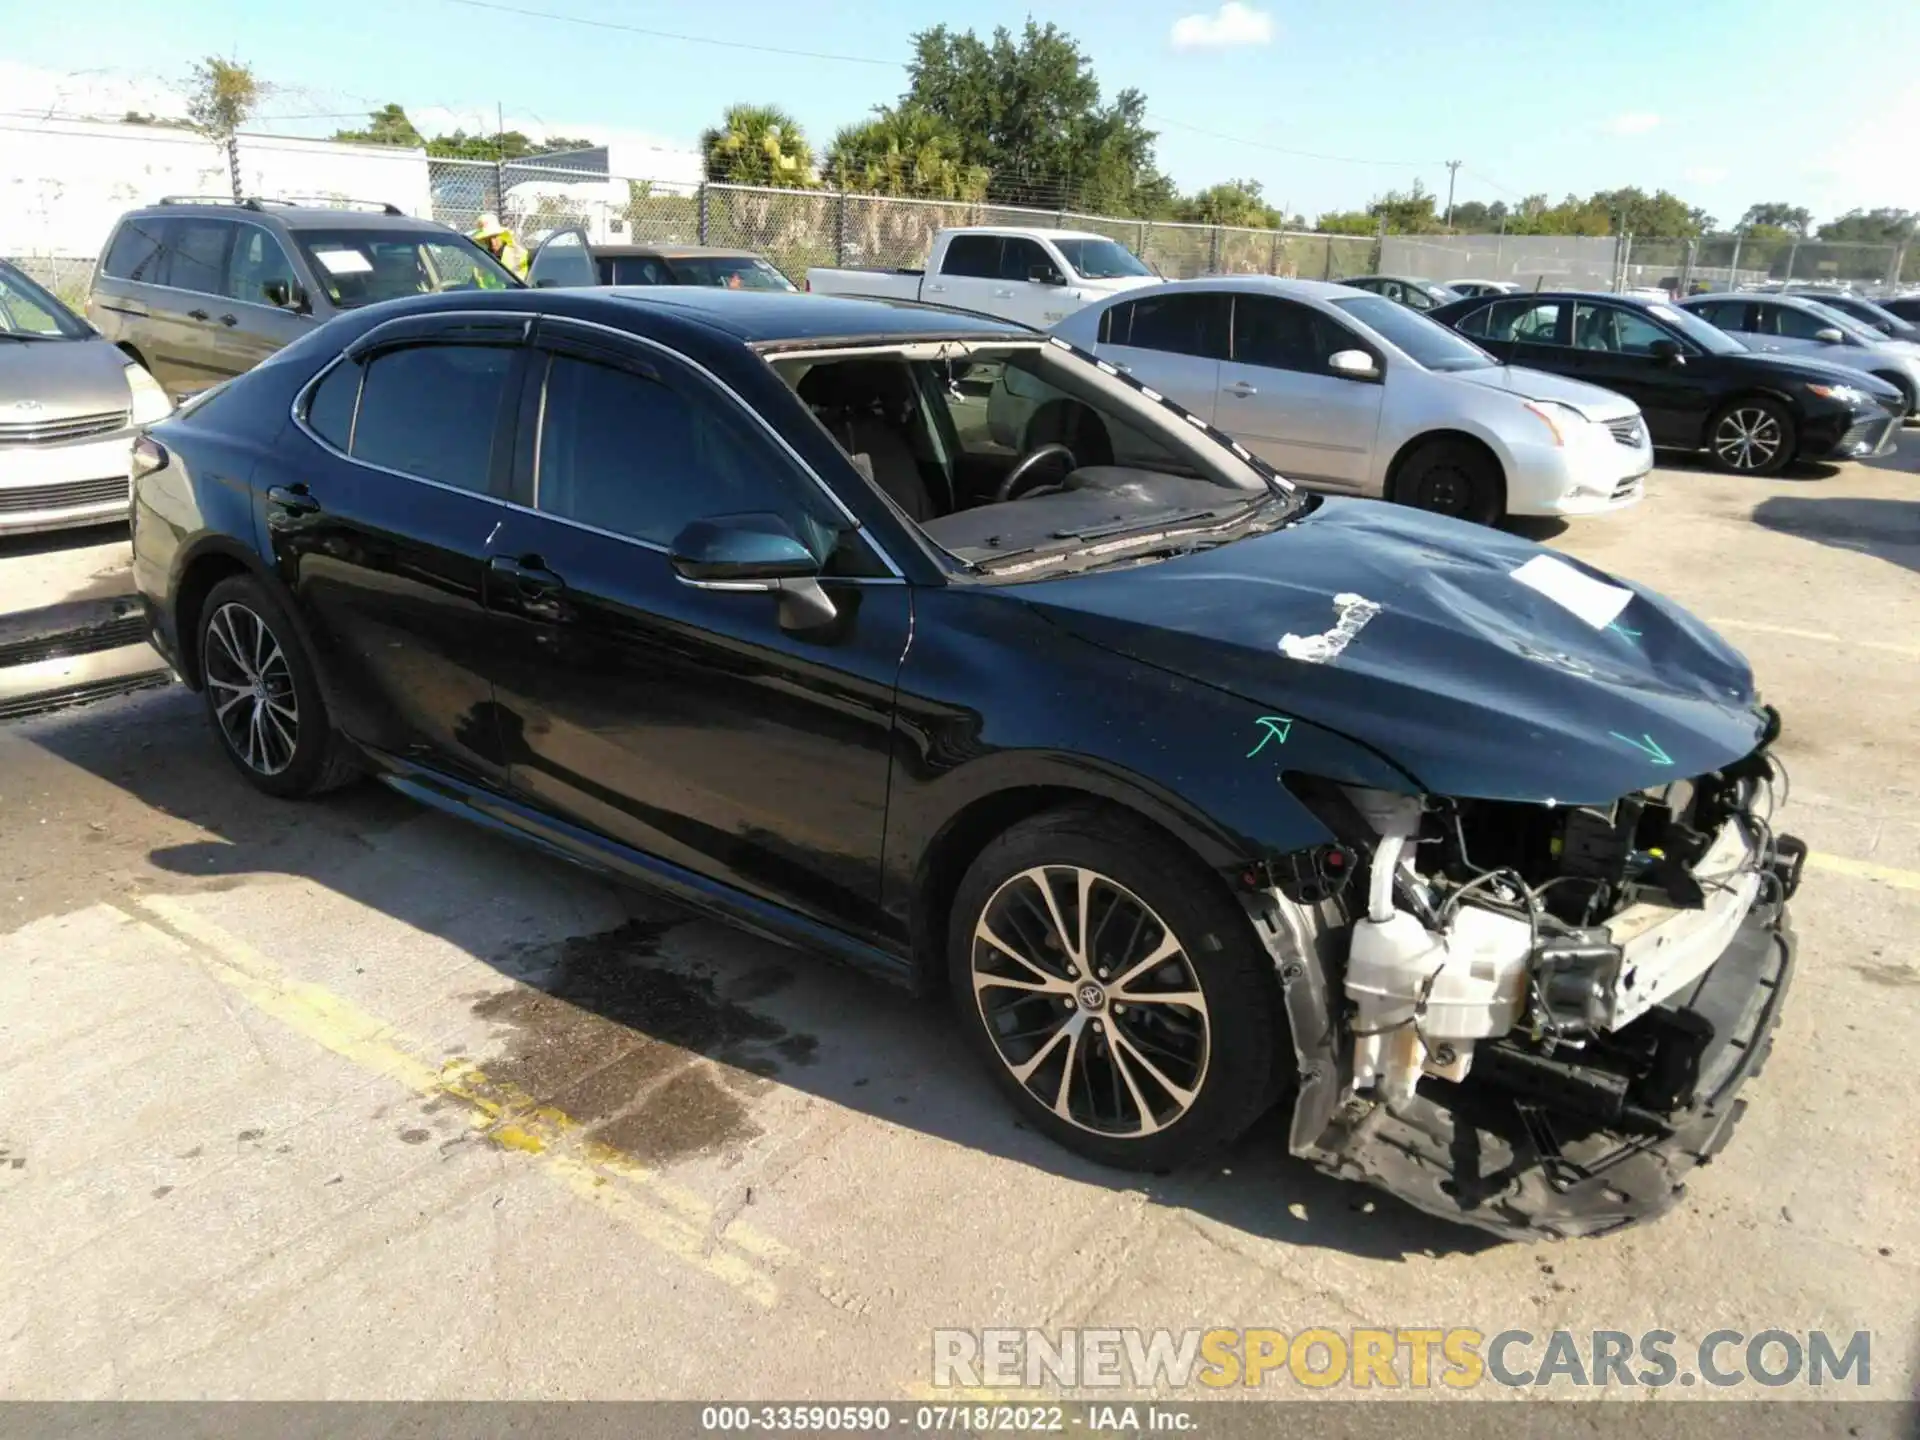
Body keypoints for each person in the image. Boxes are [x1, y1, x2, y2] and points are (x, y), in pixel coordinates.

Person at [470, 213, 529, 281]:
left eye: (495, 237)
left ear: (502, 235)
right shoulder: (482, 258)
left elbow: (519, 283)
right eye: (487, 238)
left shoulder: (518, 254)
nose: (492, 242)